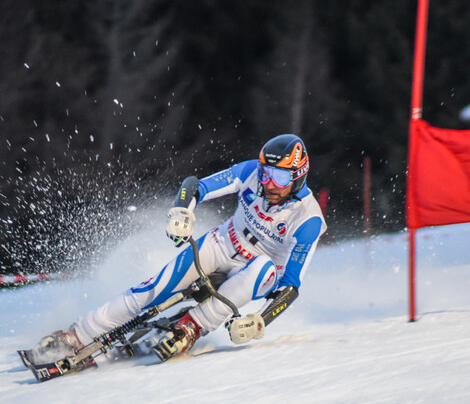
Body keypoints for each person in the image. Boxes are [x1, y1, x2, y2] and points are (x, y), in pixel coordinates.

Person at [36, 133, 327, 362]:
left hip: (259, 272)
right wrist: (182, 212)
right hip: (224, 243)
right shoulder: (250, 172)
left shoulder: (308, 219)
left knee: (263, 267)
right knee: (155, 289)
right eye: (266, 173)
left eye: (280, 178)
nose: (269, 184)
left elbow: (290, 286)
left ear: (299, 176)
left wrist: (259, 321)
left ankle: (194, 325)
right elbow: (195, 185)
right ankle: (78, 334)